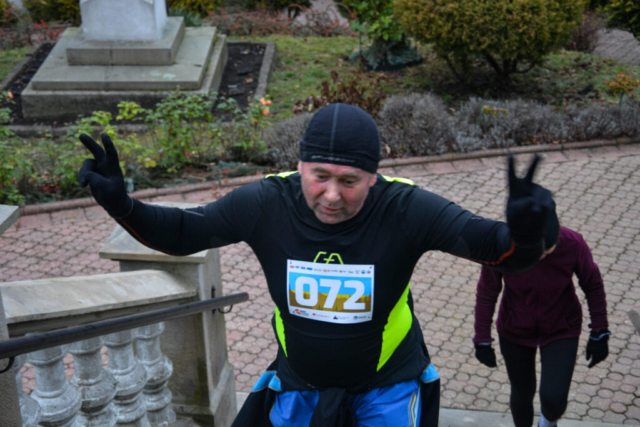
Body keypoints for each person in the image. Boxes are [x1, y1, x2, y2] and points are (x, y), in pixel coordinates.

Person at [78, 103, 557, 427]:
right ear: (300, 165)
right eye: (320, 176)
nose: (331, 195)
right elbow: (185, 233)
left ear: (374, 177)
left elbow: (497, 251)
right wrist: (122, 205)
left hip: (387, 387)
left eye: (350, 181)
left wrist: (524, 235)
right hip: (298, 385)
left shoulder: (405, 208)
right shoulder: (268, 202)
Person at [473, 218, 610, 427]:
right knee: (522, 392)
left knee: (554, 399)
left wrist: (599, 330)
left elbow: (593, 285)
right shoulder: (503, 246)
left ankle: (547, 422)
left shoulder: (573, 243)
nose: (544, 255)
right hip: (514, 328)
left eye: (549, 249)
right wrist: (482, 338)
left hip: (562, 328)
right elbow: (487, 291)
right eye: (539, 251)